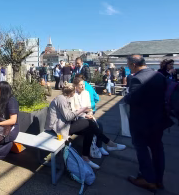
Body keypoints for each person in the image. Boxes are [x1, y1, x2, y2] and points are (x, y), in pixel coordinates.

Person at [45, 82, 125, 169]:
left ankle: (85, 157)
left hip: (65, 124)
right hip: (58, 127)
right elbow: (68, 117)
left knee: (89, 129)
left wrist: (84, 114)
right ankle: (109, 143)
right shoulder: (61, 99)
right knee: (89, 123)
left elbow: (71, 114)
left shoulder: (65, 98)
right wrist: (83, 109)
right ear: (72, 92)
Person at [124, 55, 174, 191]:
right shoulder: (158, 76)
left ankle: (147, 179)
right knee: (157, 149)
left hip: (141, 122)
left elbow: (131, 99)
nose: (128, 67)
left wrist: (126, 95)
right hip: (158, 120)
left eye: (128, 65)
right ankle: (159, 180)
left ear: (134, 65)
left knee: (141, 149)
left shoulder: (136, 79)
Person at [72, 77, 109, 156]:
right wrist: (85, 115)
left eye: (83, 84)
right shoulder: (73, 95)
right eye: (80, 85)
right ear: (75, 86)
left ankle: (99, 146)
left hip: (86, 116)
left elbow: (89, 108)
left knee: (99, 125)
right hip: (77, 118)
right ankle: (107, 143)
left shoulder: (86, 93)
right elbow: (73, 111)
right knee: (91, 125)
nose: (83, 86)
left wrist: (90, 114)